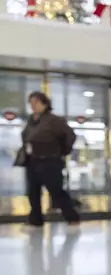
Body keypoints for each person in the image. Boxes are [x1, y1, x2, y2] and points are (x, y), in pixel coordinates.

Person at [21, 91, 80, 228]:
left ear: (45, 104)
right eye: (31, 102)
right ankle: (35, 219)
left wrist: (63, 151)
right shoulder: (31, 121)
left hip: (50, 161)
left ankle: (72, 216)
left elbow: (70, 135)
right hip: (33, 160)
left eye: (36, 102)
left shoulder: (54, 120)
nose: (33, 105)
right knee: (33, 191)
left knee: (56, 190)